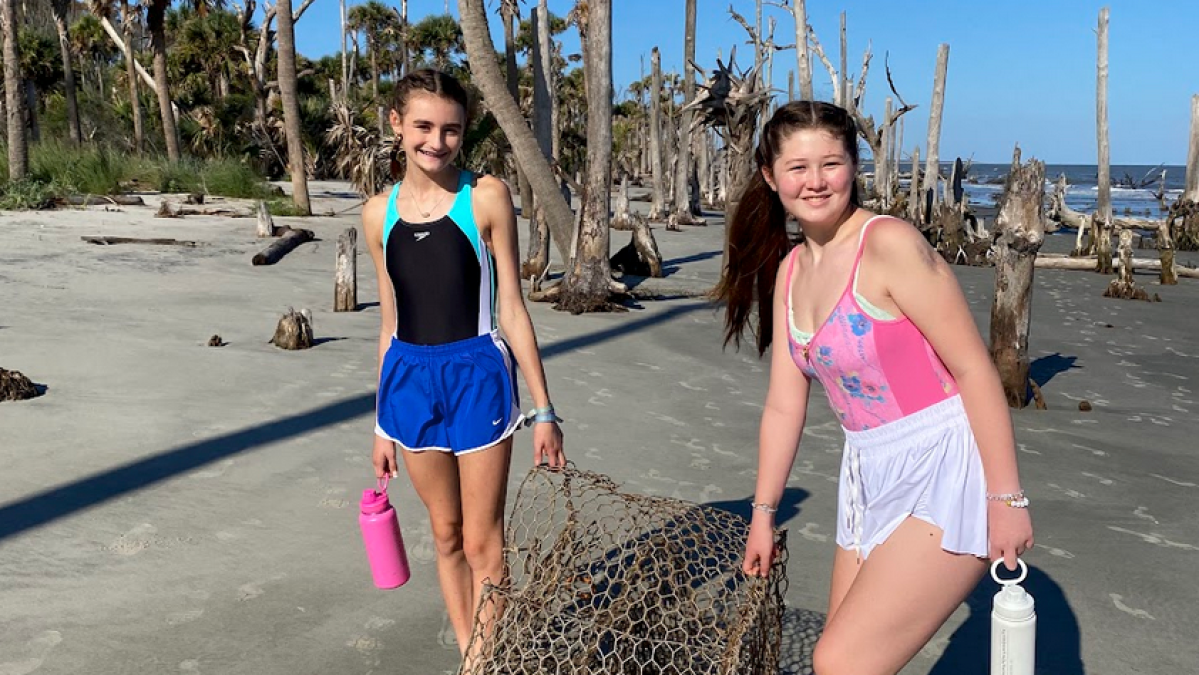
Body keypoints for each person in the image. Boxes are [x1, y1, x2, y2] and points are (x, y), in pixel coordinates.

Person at [716, 100, 1034, 675]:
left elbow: (975, 370)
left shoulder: (889, 245)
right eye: (797, 167)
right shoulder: (790, 271)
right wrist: (763, 512)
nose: (815, 182)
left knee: (840, 661)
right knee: (843, 661)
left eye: (830, 164)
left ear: (853, 166)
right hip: (867, 471)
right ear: (770, 176)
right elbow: (784, 407)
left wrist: (1006, 499)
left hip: (945, 465)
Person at [362, 69, 566, 657]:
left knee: (483, 544)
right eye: (423, 125)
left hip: (478, 377)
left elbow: (513, 310)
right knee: (445, 535)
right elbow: (388, 323)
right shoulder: (379, 214)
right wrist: (381, 423)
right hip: (407, 384)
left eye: (451, 129)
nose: (436, 141)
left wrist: (544, 409)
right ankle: (469, 650)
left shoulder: (485, 197)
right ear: (397, 124)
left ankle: (485, 662)